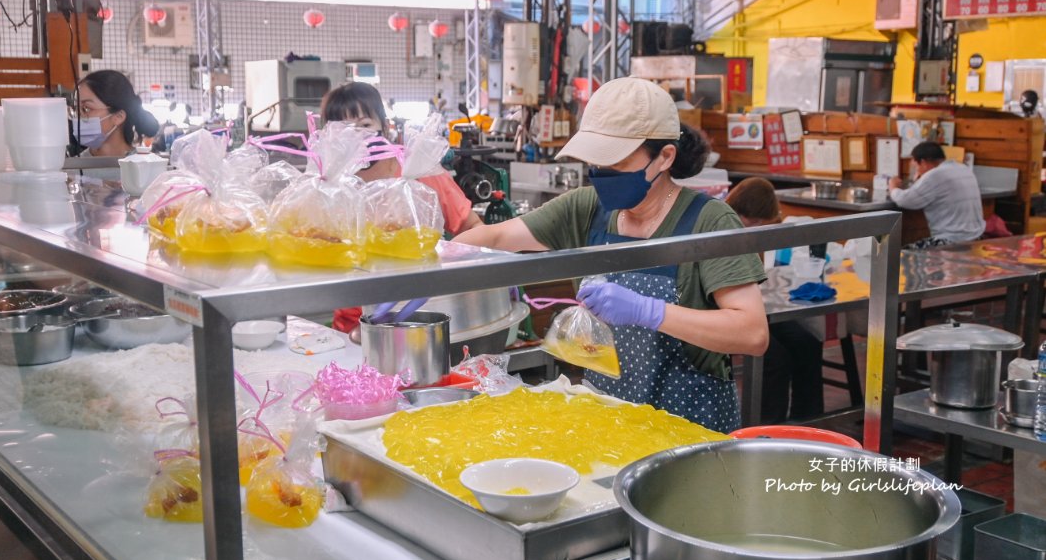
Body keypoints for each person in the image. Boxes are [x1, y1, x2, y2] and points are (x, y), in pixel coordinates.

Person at [454, 78, 768, 433]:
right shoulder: (587, 208)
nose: (600, 173)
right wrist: (434, 265)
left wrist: (649, 311)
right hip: (609, 418)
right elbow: (495, 236)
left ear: (664, 157)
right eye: (594, 160)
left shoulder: (709, 221)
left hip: (691, 423)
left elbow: (752, 333)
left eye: (614, 161)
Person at [322, 83, 483, 334]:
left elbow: (471, 226)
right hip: (351, 323)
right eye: (344, 129)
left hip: (419, 313)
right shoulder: (328, 184)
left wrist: (458, 273)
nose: (357, 137)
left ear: (385, 127)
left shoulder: (416, 170)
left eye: (365, 125)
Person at [725, 177, 824, 423]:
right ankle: (766, 430)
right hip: (724, 314)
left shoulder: (752, 234)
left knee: (807, 344)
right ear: (745, 215)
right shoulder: (721, 227)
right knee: (775, 359)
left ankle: (809, 425)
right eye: (757, 222)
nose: (760, 227)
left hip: (756, 310)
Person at [889, 141, 985, 249]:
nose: (916, 170)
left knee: (899, 254)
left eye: (916, 166)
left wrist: (893, 187)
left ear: (923, 162)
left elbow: (905, 200)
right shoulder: (963, 168)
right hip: (976, 238)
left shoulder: (934, 175)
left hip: (951, 241)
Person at [71, 70, 159, 158]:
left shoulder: (145, 165)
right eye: (75, 109)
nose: (78, 117)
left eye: (86, 108)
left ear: (118, 116)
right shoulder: (73, 167)